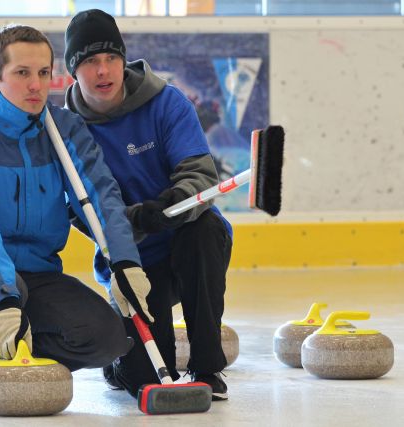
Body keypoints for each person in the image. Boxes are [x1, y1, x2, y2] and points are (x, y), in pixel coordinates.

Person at [0, 24, 154, 403]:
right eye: (22, 73)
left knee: (106, 337)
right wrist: (3, 299)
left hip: (35, 273)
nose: (36, 85)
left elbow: (101, 196)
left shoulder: (65, 129)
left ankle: (11, 345)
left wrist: (125, 262)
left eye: (43, 73)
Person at [64, 9, 233, 401]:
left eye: (111, 58)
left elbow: (199, 173)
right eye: (90, 61)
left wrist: (173, 203)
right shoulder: (65, 131)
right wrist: (134, 219)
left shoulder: (166, 103)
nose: (103, 70)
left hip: (188, 240)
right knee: (145, 375)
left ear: (123, 60)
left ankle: (208, 365)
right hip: (131, 261)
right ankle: (120, 361)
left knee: (205, 230)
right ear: (73, 70)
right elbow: (79, 211)